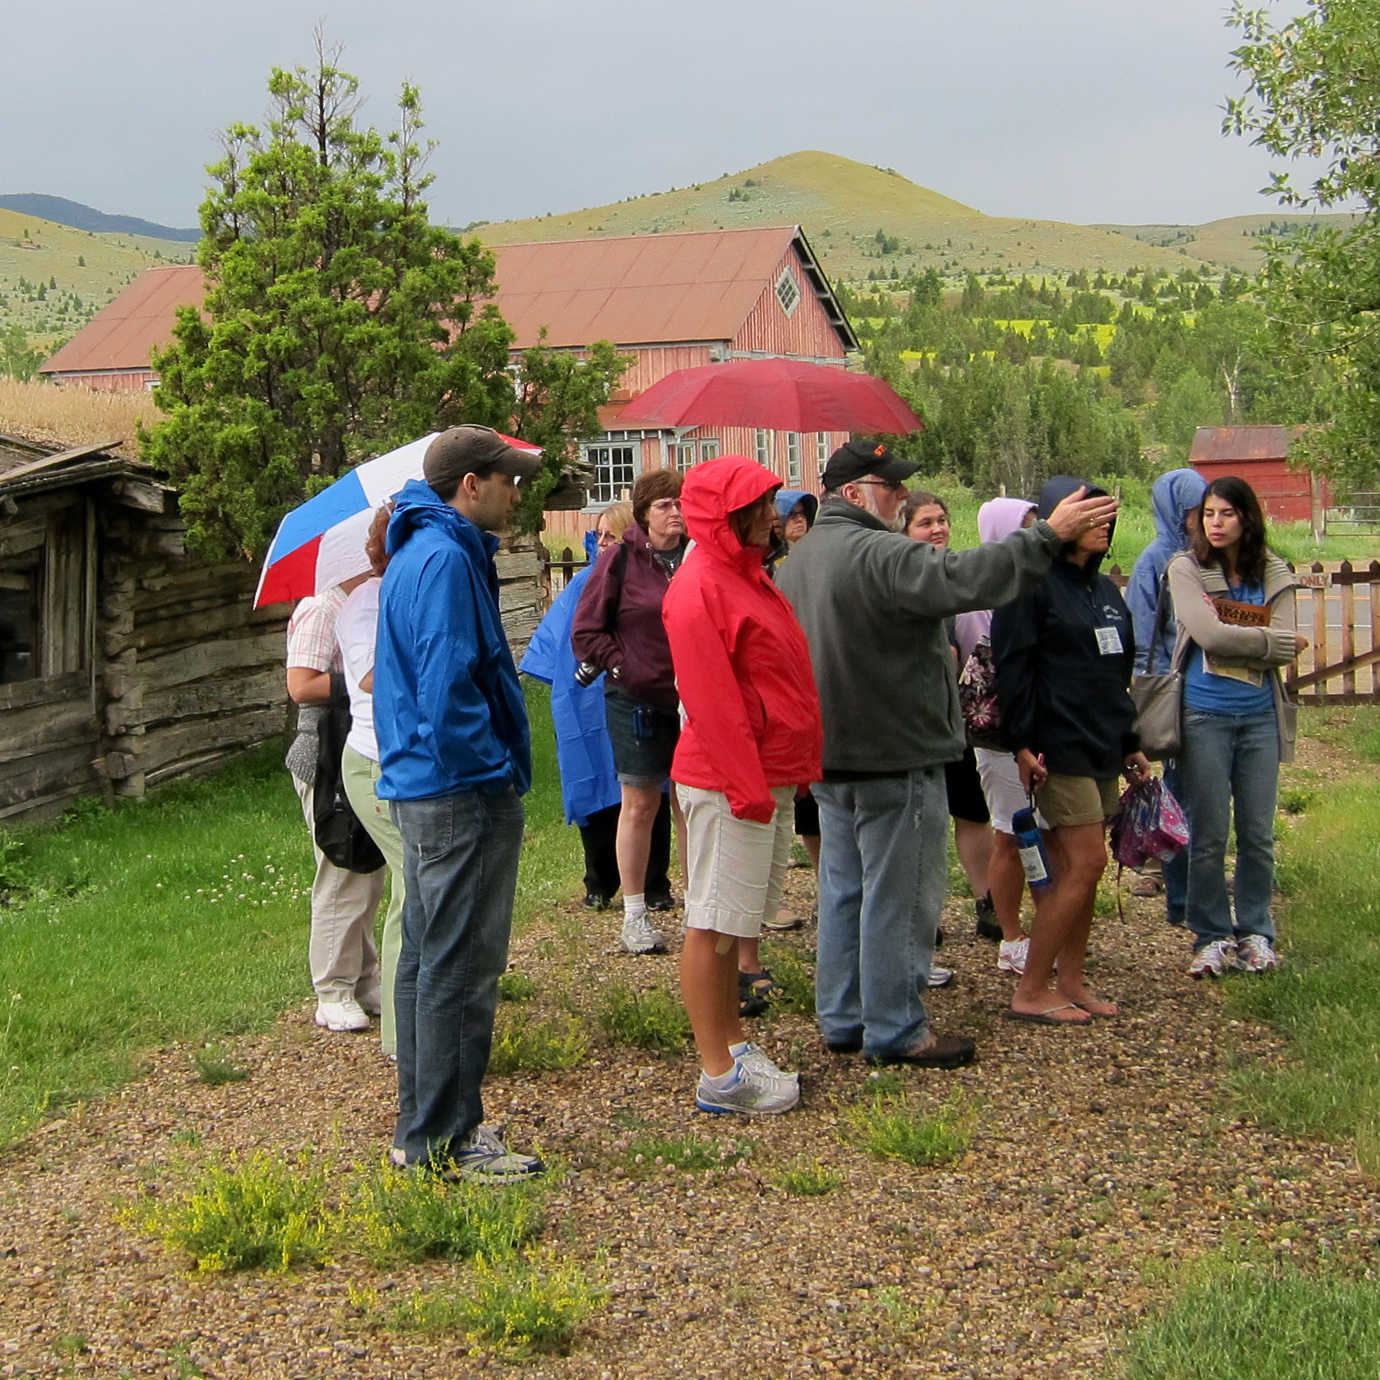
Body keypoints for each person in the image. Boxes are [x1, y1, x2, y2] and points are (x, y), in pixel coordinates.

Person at [776, 439, 1118, 1066]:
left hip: (829, 754)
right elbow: (963, 578)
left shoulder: (799, 560)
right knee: (899, 894)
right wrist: (1046, 538)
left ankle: (844, 1015)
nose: (904, 496)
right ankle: (896, 1026)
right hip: (892, 752)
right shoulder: (879, 552)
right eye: (892, 486)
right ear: (854, 494)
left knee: (844, 887)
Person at [373, 424, 543, 1180]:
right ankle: (446, 1138)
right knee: (461, 965)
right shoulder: (443, 557)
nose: (516, 491)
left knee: (426, 959)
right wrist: (494, 770)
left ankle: (425, 1130)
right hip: (457, 790)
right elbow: (447, 690)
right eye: (506, 478)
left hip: (425, 784)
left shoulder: (423, 550)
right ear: (469, 485)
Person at [662, 455, 821, 1114]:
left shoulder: (744, 576)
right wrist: (747, 782)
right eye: (759, 506)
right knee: (712, 922)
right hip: (730, 777)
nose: (772, 516)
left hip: (757, 772)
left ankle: (730, 1043)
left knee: (732, 925)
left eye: (771, 504)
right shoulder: (702, 588)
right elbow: (712, 700)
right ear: (728, 516)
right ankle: (717, 1072)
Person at [992, 475, 1151, 1026]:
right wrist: (1022, 742)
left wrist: (1130, 742)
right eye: (1090, 515)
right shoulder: (1031, 583)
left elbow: (1116, 672)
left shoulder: (1105, 591)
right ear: (1062, 520)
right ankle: (1030, 988)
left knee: (1077, 871)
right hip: (1056, 745)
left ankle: (1072, 979)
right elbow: (1012, 669)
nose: (1102, 525)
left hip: (1102, 742)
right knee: (1086, 862)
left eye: (1108, 514)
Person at [1167, 476, 1305, 979]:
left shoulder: (1273, 570)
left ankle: (1255, 931)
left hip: (1259, 717)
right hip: (1204, 714)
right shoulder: (1186, 567)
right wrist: (1266, 641)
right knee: (1208, 834)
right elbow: (1208, 635)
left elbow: (1284, 633)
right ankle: (1210, 934)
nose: (1216, 523)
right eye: (1209, 514)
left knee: (1257, 831)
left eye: (1226, 513)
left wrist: (1244, 638)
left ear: (1247, 517)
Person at [519, 503, 673, 912]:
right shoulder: (582, 585)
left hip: (635, 700)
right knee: (593, 787)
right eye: (599, 535)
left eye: (610, 535)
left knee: (647, 790)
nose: (602, 542)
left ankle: (655, 883)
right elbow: (551, 648)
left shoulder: (649, 582)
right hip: (584, 704)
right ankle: (599, 880)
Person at [572, 469, 690, 955]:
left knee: (692, 803)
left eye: (680, 503)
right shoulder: (620, 560)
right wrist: (626, 666)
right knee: (641, 803)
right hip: (636, 700)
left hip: (693, 699)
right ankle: (635, 914)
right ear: (644, 512)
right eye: (664, 505)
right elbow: (586, 632)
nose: (676, 512)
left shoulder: (698, 557)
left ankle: (702, 907)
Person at [284, 582, 384, 1033]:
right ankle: (332, 989)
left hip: (358, 748)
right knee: (340, 867)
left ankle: (364, 978)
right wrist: (364, 675)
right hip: (324, 752)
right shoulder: (322, 608)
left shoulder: (365, 605)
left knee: (367, 870)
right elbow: (300, 684)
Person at [900, 488, 991, 985]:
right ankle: (924, 922)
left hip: (959, 718)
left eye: (941, 520)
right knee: (922, 824)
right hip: (917, 723)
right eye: (925, 522)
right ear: (905, 530)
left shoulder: (955, 574)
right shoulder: (902, 578)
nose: (937, 529)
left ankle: (985, 901)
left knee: (971, 811)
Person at [952, 497, 1043, 976]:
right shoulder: (978, 598)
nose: (1032, 536)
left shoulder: (1039, 585)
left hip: (1042, 728)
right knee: (1010, 831)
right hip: (998, 733)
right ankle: (1011, 931)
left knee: (1051, 834)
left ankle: (1047, 924)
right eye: (1023, 529)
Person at [336, 503, 405, 1058]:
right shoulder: (365, 604)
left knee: (424, 886)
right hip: (376, 761)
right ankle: (404, 1035)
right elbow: (368, 677)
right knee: (416, 889)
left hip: (411, 759)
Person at [1124, 467, 1208, 926]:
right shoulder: (1156, 560)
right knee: (1178, 801)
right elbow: (1144, 636)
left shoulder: (1205, 555)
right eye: (1194, 510)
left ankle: (1198, 894)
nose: (1201, 518)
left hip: (1207, 692)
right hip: (1173, 694)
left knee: (1202, 798)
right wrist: (1151, 695)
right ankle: (1182, 900)